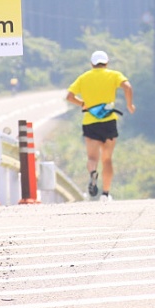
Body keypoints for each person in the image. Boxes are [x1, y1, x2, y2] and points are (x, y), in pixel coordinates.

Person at [66, 50, 135, 202]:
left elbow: (69, 96)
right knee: (107, 159)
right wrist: (129, 105)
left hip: (90, 122)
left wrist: (83, 104)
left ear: (92, 64)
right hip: (109, 121)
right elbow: (128, 87)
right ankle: (105, 194)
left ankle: (92, 173)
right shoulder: (114, 75)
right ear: (107, 63)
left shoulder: (84, 78)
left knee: (92, 158)